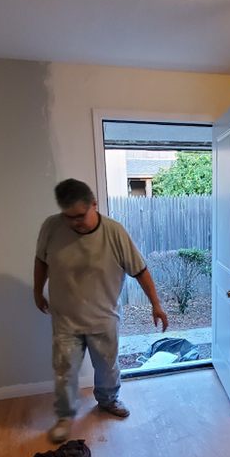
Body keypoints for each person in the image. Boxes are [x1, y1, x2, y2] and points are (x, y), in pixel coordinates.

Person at [34, 178, 168, 442]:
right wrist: (37, 291)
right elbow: (41, 260)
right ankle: (65, 416)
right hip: (65, 319)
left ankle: (107, 401)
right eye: (68, 217)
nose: (74, 222)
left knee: (107, 368)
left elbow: (140, 270)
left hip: (104, 318)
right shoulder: (51, 227)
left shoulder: (114, 233)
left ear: (94, 205)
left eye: (80, 215)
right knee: (65, 370)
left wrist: (156, 304)